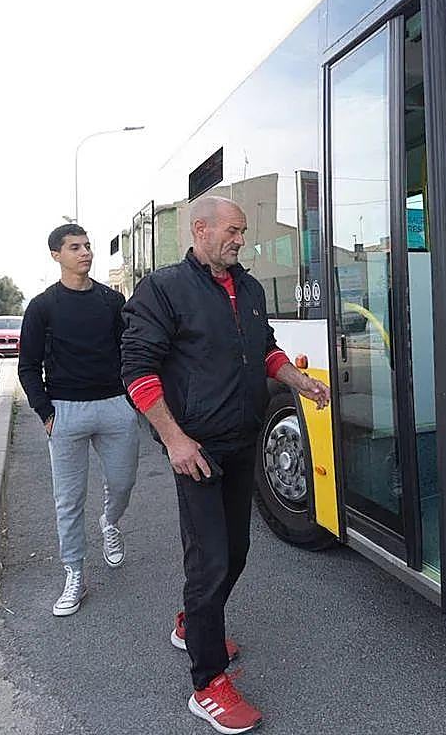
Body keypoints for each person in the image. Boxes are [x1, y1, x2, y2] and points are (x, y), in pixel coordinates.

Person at [122, 195, 330, 734]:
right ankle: (207, 682)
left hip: (242, 442)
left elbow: (266, 351)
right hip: (196, 450)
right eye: (233, 231)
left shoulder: (252, 288)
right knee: (210, 560)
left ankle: (194, 622)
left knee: (235, 552)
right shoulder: (164, 289)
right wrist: (174, 440)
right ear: (201, 229)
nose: (241, 240)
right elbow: (138, 371)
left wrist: (299, 382)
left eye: (242, 233)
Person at [17, 223, 140, 617]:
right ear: (56, 255)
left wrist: (131, 398)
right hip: (65, 411)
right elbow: (27, 367)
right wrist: (46, 412)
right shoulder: (42, 306)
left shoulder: (110, 301)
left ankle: (110, 522)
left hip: (114, 406)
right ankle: (75, 572)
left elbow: (131, 349)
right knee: (68, 501)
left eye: (87, 246)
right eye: (75, 247)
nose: (85, 252)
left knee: (122, 482)